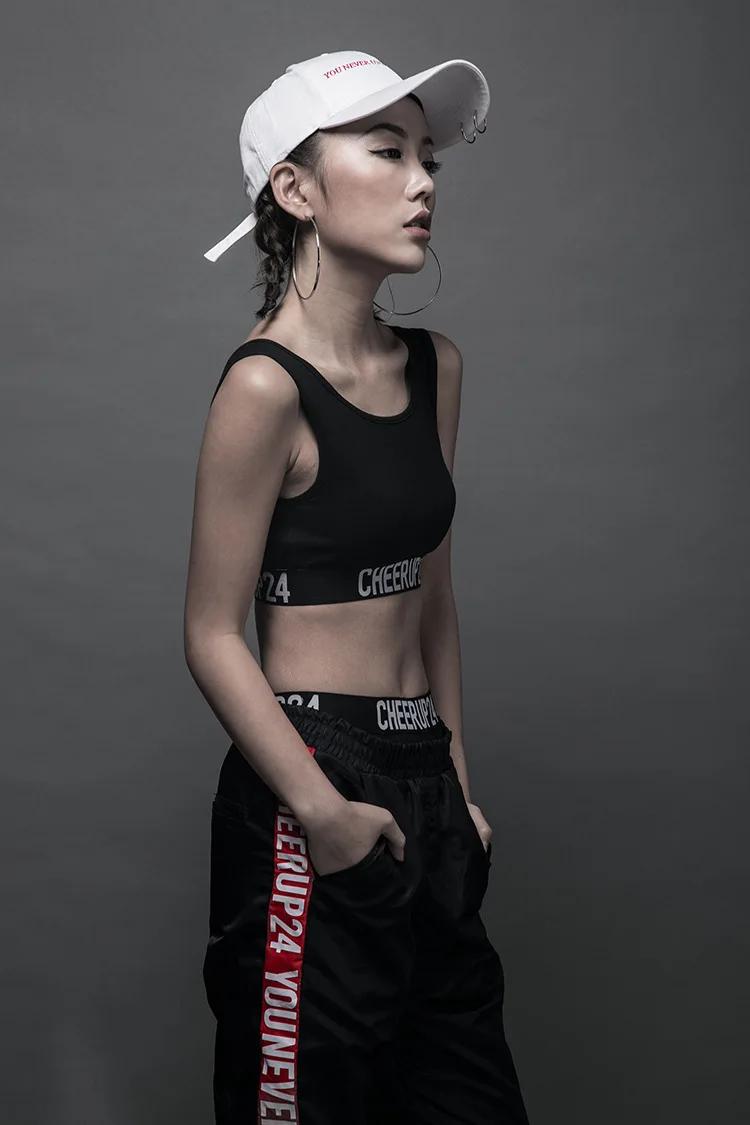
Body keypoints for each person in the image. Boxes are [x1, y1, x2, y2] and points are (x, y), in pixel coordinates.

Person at [185, 49, 531, 1125]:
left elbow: (432, 596)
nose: (423, 181)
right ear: (295, 189)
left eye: (430, 158)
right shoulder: (262, 387)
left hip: (425, 778)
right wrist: (319, 809)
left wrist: (457, 785)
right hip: (315, 779)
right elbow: (211, 633)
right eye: (388, 152)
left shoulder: (436, 368)